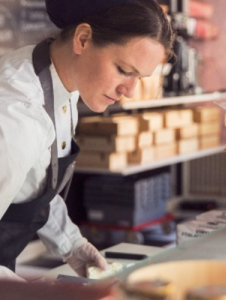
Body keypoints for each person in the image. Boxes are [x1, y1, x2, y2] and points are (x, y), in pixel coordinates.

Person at [0, 0, 175, 281]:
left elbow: (34, 182)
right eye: (123, 69)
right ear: (82, 39)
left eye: (138, 77)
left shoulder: (60, 80)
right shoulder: (17, 117)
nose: (129, 91)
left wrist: (72, 245)